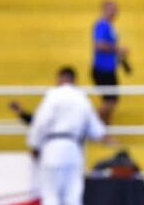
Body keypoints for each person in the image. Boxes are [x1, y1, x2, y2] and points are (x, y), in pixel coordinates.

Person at [28, 66, 108, 205]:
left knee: (50, 196)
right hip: (73, 148)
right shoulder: (81, 98)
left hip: (51, 148)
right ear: (74, 80)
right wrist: (104, 137)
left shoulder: (52, 95)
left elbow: (40, 122)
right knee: (73, 197)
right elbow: (96, 130)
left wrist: (34, 145)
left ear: (60, 78)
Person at [91, 0, 129, 124]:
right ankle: (91, 124)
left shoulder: (110, 27)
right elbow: (99, 45)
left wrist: (121, 61)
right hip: (102, 69)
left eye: (115, 9)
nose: (114, 12)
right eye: (111, 9)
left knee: (111, 100)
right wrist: (118, 49)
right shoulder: (102, 25)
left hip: (109, 69)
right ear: (104, 10)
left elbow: (110, 48)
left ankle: (105, 128)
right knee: (110, 100)